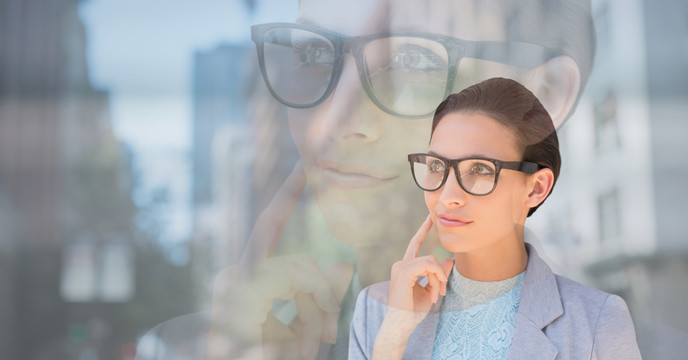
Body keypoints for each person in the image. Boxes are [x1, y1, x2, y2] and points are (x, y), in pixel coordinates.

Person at [139, 1, 598, 360]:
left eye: (413, 60)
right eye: (312, 53)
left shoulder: (596, 331)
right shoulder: (278, 329)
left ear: (544, 95)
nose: (324, 126)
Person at [348, 77, 641, 359]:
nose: (448, 195)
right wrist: (392, 340)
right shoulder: (376, 311)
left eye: (480, 170)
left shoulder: (596, 321)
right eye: (437, 166)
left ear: (536, 188)